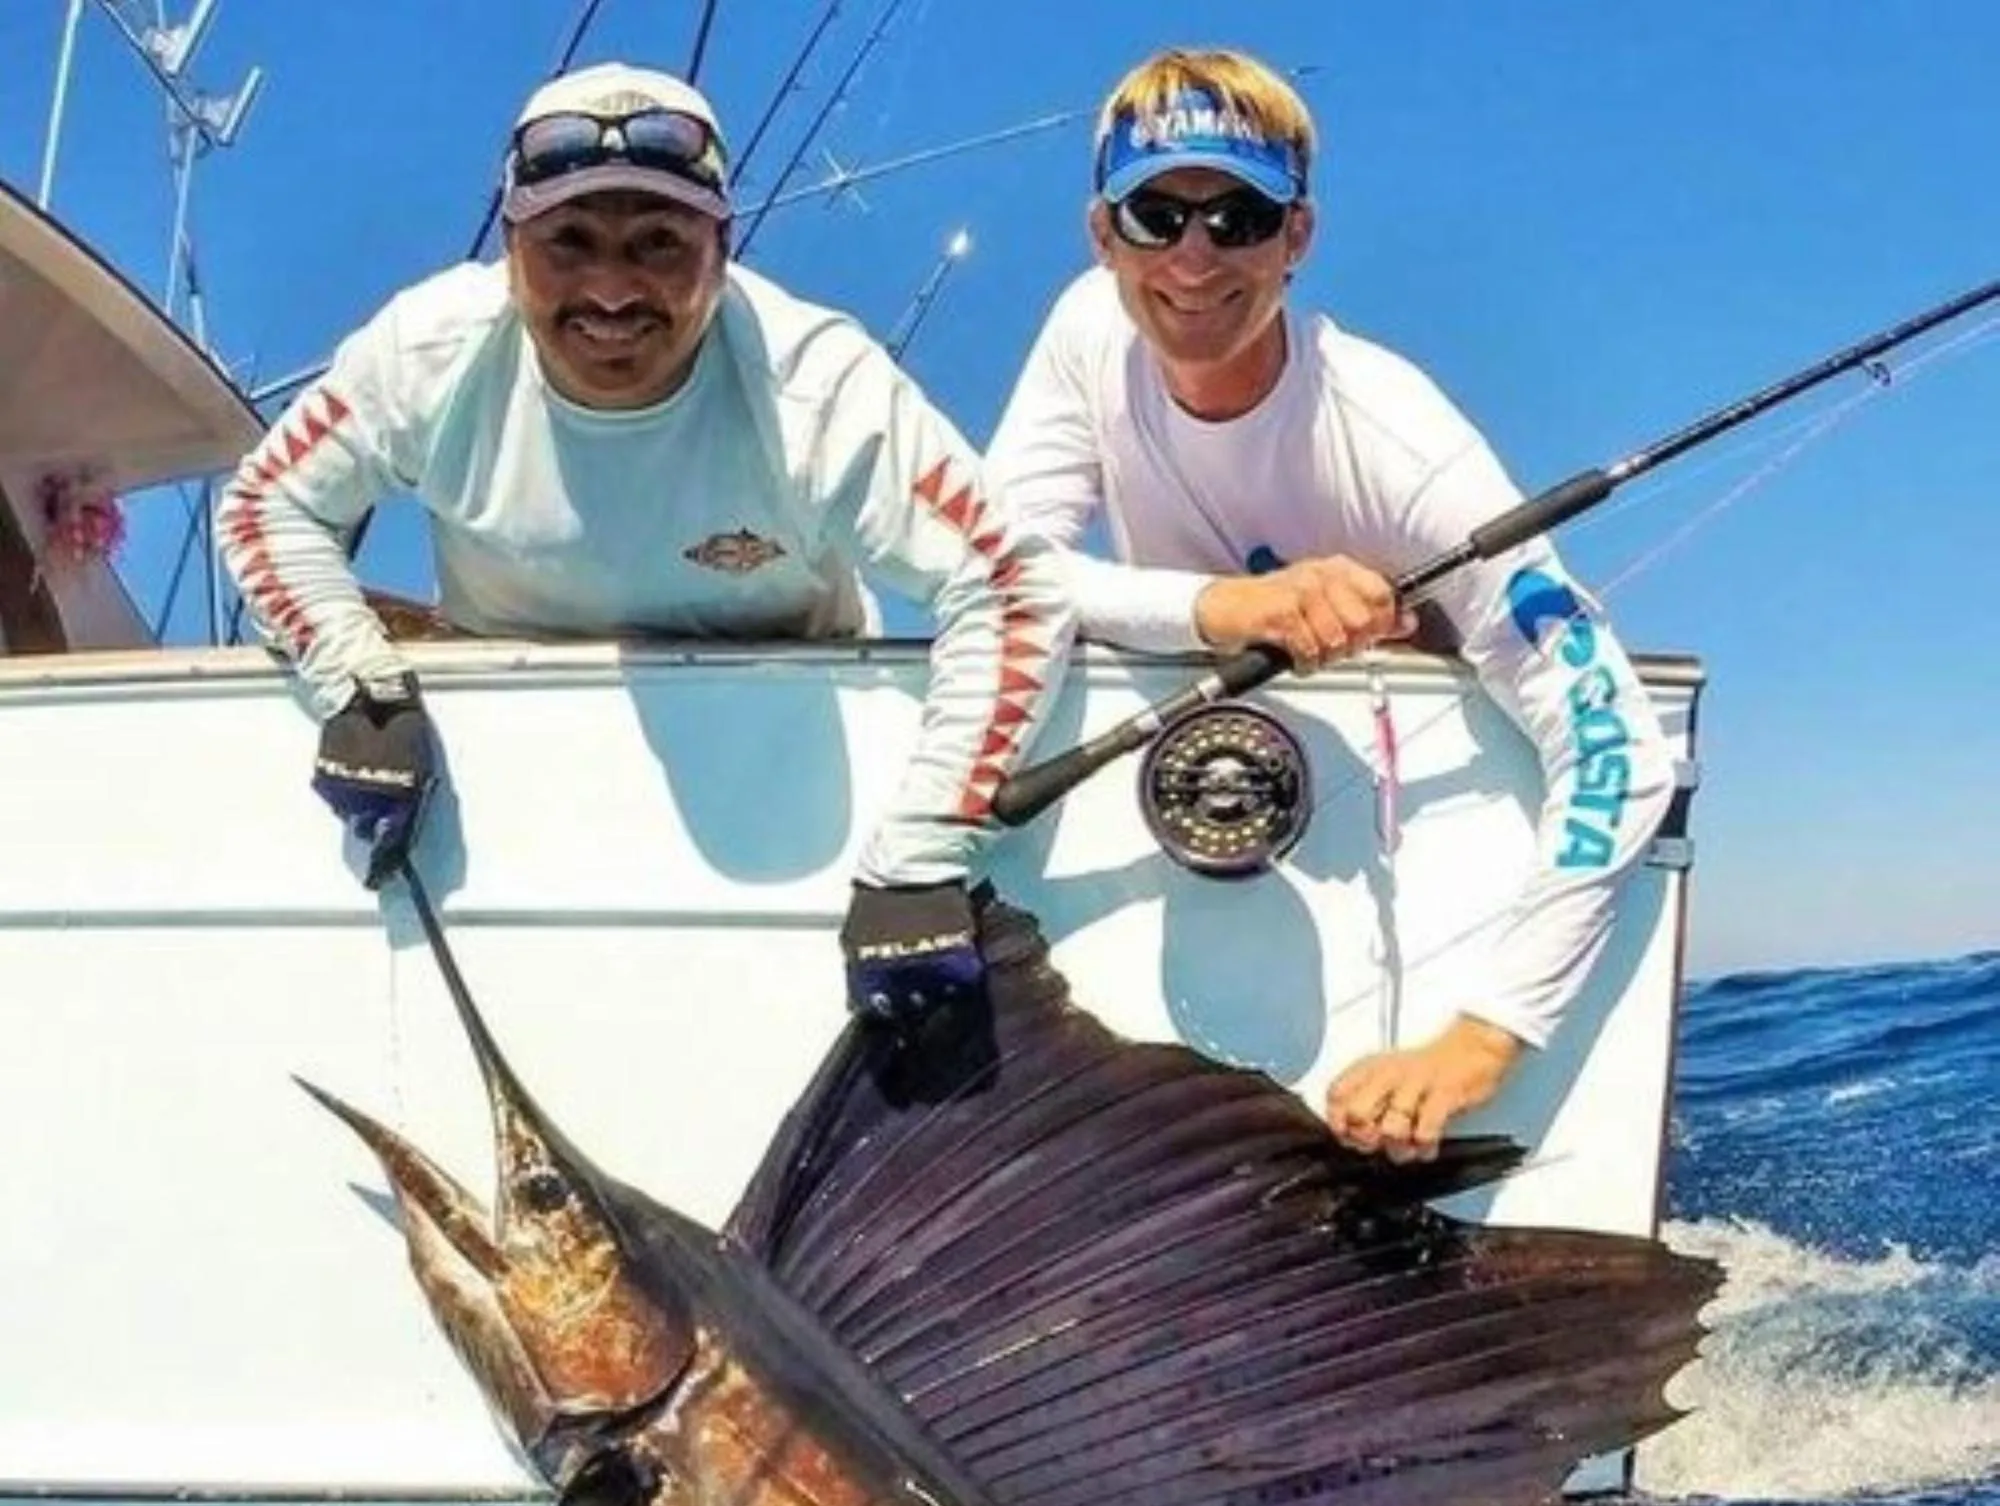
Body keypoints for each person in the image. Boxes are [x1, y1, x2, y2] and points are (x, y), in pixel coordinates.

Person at [218, 62, 1073, 1027]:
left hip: (786, 780)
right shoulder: (426, 351)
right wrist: (360, 685)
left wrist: (924, 849)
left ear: (723, 249)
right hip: (512, 783)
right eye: (569, 242)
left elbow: (1008, 583)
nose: (613, 288)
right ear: (510, 249)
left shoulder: (816, 382)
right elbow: (267, 504)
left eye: (659, 243)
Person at [985, 46, 1674, 1161]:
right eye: (1157, 215)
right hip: (1185, 846)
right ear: (1102, 234)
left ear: (1296, 237)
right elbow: (1000, 573)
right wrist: (1232, 606)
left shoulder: (1394, 434)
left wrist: (1483, 1039)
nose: (1194, 257)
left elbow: (1619, 743)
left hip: (1394, 851)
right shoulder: (1083, 334)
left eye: (1240, 218)